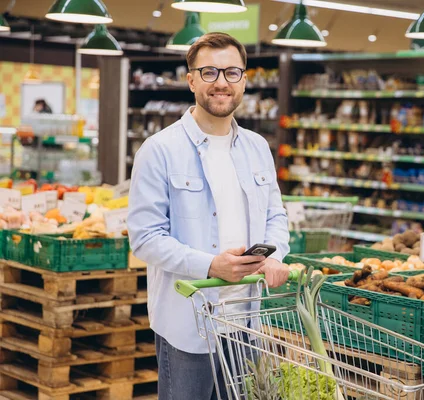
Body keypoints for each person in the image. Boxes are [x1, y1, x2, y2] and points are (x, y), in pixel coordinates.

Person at [127, 32, 291, 400]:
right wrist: (210, 266)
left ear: (244, 80)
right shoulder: (159, 150)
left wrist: (276, 255)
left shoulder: (257, 148)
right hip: (187, 323)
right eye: (209, 72)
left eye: (232, 72)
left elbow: (276, 216)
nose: (221, 82)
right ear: (191, 80)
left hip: (246, 320)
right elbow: (145, 238)